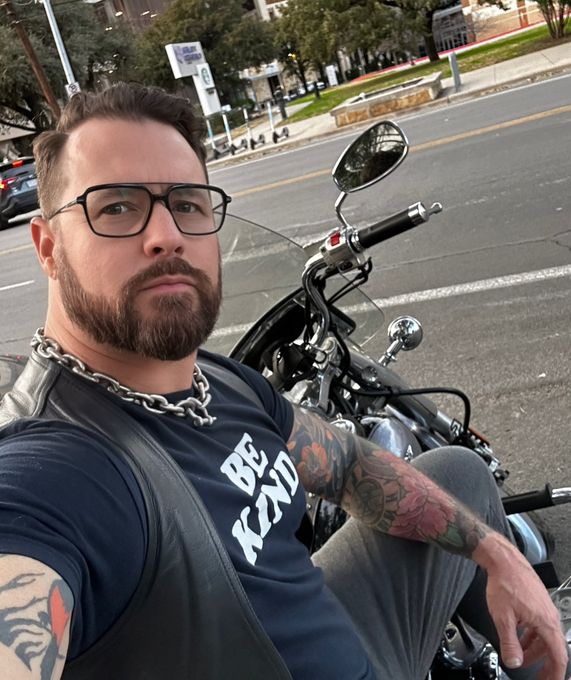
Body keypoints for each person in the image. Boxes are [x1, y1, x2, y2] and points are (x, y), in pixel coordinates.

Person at [0, 82, 567, 680]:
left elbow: (346, 466)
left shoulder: (217, 380)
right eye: (116, 207)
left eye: (188, 204)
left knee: (459, 474)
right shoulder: (56, 468)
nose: (167, 235)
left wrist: (494, 552)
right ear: (48, 246)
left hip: (346, 637)